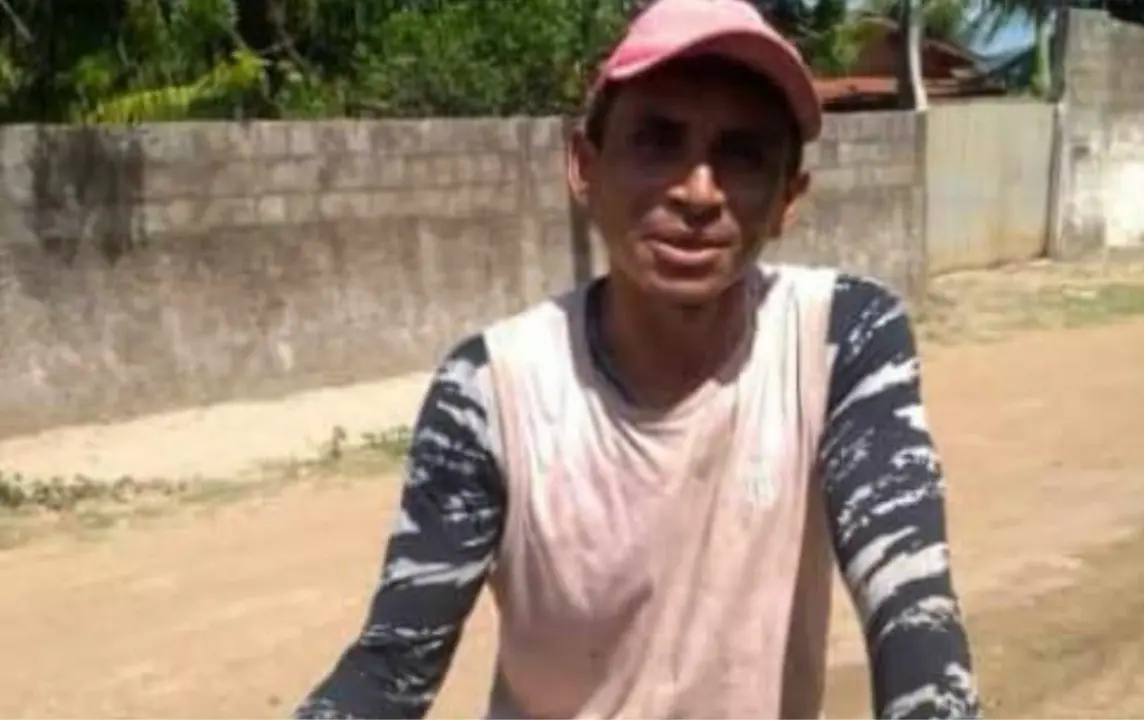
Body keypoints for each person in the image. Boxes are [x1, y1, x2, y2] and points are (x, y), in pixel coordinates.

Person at [294, 0, 979, 717]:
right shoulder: (491, 390)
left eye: (742, 155)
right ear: (584, 167)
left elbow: (913, 605)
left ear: (788, 200)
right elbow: (391, 667)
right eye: (657, 141)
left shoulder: (843, 339)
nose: (698, 192)